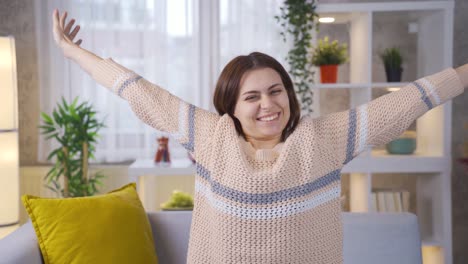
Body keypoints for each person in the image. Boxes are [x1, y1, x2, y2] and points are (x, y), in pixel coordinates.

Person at [52, 9, 467, 264]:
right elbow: (137, 90)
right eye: (251, 96)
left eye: (275, 90)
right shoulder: (211, 136)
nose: (268, 104)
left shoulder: (321, 139)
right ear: (231, 107)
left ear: (288, 93)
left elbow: (408, 101)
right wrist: (73, 52)